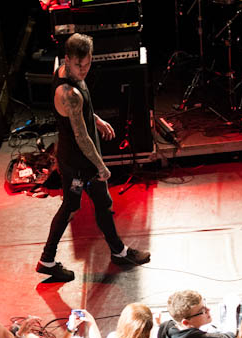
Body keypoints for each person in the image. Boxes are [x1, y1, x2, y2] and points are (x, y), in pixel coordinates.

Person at [36, 33, 150, 283]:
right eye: (79, 65)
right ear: (67, 59)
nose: (84, 70)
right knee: (73, 207)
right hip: (79, 161)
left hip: (75, 158)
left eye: (88, 64)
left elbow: (80, 115)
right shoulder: (68, 92)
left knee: (98, 203)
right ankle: (48, 259)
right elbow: (81, 136)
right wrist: (100, 165)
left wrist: (95, 119)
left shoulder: (69, 74)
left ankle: (116, 252)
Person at [157, 290, 236, 338]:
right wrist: (232, 307)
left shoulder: (165, 327)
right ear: (186, 323)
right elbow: (231, 335)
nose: (208, 309)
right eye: (202, 311)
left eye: (205, 304)